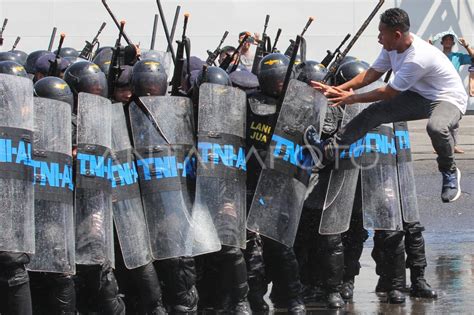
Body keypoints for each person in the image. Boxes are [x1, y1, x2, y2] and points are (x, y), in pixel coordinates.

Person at [310, 7, 468, 203]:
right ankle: (329, 150)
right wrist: (336, 89)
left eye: (381, 33)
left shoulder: (418, 57)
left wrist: (351, 98)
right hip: (419, 95)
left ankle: (449, 171)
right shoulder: (392, 47)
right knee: (374, 113)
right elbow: (372, 74)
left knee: (436, 127)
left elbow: (388, 92)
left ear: (397, 34)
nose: (378, 38)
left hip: (448, 98)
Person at [433, 31, 474, 154]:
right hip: (438, 89)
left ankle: (453, 145)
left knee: (454, 120)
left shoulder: (457, 56)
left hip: (453, 91)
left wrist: (466, 46)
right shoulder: (436, 55)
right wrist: (429, 45)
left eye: (450, 40)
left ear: (453, 42)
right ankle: (440, 147)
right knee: (437, 119)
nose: (448, 42)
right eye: (446, 39)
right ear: (442, 42)